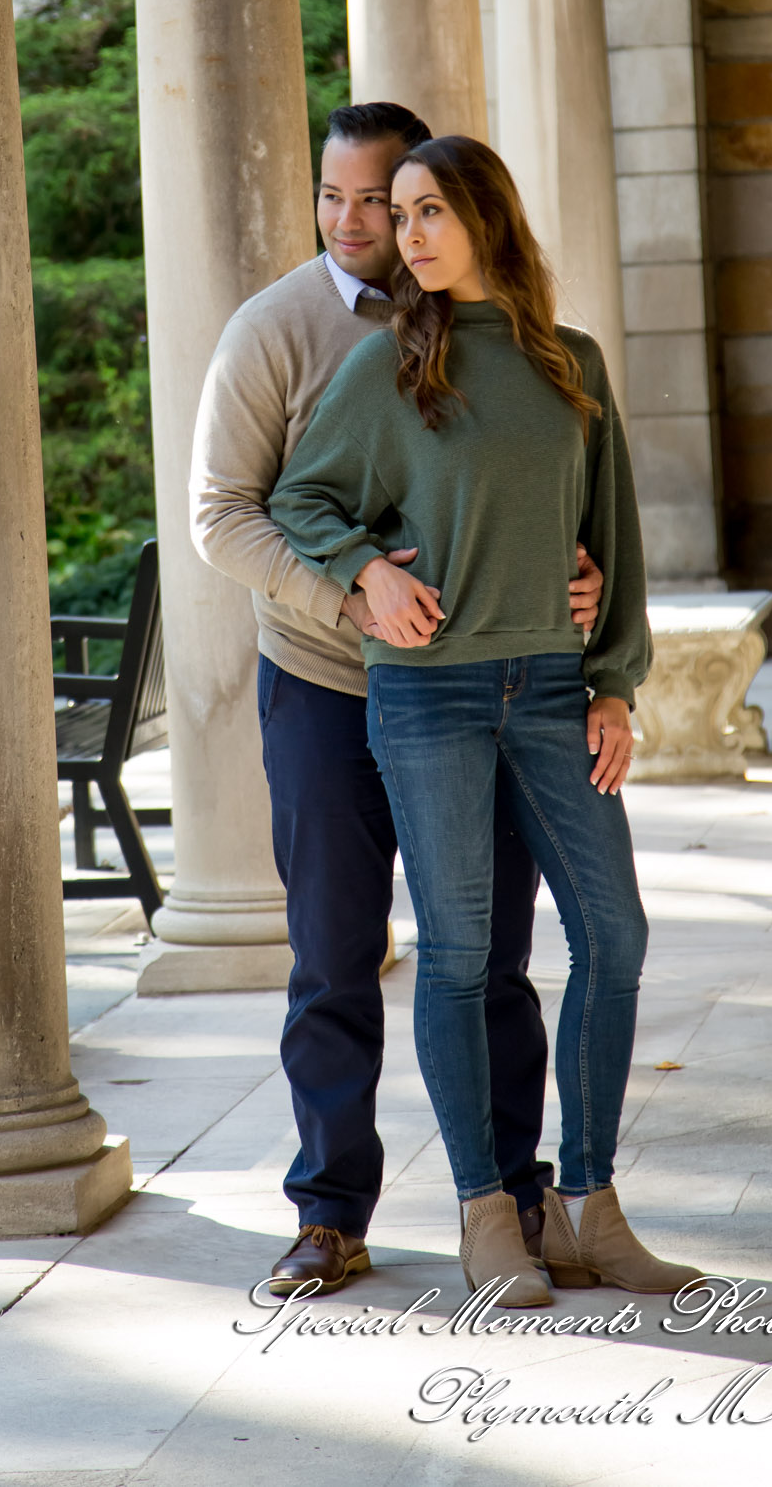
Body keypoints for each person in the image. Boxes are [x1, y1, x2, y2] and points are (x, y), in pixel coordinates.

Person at [269, 134, 698, 1307]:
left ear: (488, 216)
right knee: (461, 955)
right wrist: (370, 574)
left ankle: (588, 1207)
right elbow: (299, 497)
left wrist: (615, 679)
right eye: (397, 215)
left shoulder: (573, 364)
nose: (406, 234)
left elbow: (615, 534)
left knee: (613, 937)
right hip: (432, 695)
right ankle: (485, 1220)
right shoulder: (396, 366)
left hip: (556, 691)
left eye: (428, 210)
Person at [190, 103, 605, 1298]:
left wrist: (568, 572)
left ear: (437, 202)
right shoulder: (274, 331)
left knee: (492, 955)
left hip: (482, 692)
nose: (357, 221)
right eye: (337, 198)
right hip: (326, 686)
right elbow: (224, 516)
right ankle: (331, 1209)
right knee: (332, 950)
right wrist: (354, 594)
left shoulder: (495, 335)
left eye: (385, 199)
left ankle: (518, 1197)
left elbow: (548, 479)